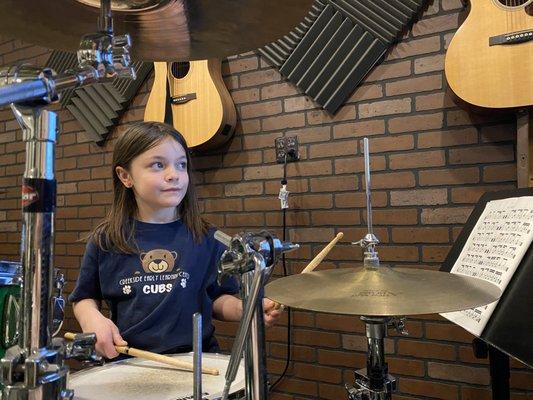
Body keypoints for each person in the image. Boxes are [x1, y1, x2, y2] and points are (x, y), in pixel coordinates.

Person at [69, 121, 283, 359]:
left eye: (181, 165)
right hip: (130, 363)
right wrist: (92, 319)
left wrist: (246, 308)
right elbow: (83, 298)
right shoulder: (106, 239)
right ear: (125, 176)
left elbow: (216, 300)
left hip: (197, 362)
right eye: (158, 165)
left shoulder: (207, 237)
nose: (174, 175)